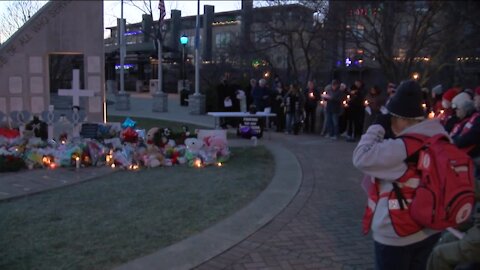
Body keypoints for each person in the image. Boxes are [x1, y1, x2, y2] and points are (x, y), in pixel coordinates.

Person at [353, 80, 443, 270]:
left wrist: (378, 125)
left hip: (396, 233)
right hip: (431, 228)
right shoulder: (440, 136)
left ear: (401, 119)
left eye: (393, 118)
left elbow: (360, 157)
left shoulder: (400, 148)